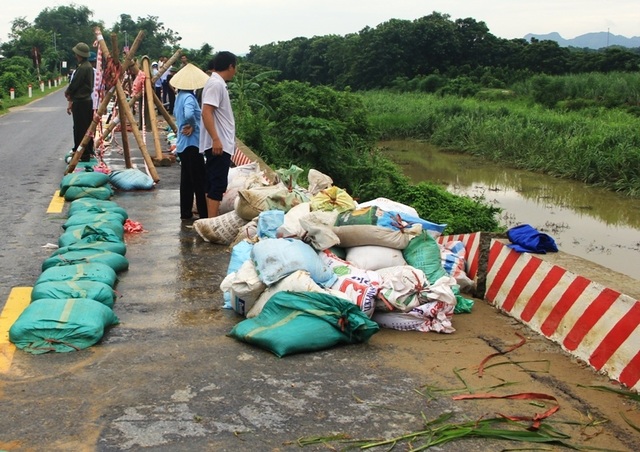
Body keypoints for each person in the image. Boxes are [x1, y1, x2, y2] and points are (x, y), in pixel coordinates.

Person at [170, 63, 210, 220]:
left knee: (186, 181)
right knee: (199, 181)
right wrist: (192, 125)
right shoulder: (189, 98)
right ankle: (204, 213)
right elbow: (188, 115)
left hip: (182, 145)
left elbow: (176, 114)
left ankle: (185, 212)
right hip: (192, 143)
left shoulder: (179, 97)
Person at [199, 51, 237, 218]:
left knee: (213, 182)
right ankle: (212, 222)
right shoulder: (216, 84)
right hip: (218, 143)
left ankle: (209, 220)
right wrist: (216, 139)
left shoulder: (216, 83)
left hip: (220, 142)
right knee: (217, 184)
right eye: (235, 67)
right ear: (230, 66)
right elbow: (206, 112)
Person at [65, 42, 94, 162]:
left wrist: (68, 92)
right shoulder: (87, 66)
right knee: (85, 127)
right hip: (86, 101)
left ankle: (82, 153)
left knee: (80, 128)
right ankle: (85, 151)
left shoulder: (83, 68)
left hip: (81, 101)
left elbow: (75, 84)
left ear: (79, 54)